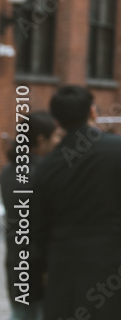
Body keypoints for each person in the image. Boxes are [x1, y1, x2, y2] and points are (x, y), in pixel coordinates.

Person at [34, 86, 121, 320]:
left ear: (57, 120)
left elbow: (37, 229)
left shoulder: (47, 167)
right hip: (115, 264)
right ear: (93, 112)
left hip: (66, 270)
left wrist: (39, 273)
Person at [2, 111, 59, 320]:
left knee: (21, 312)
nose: (57, 141)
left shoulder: (8, 172)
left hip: (16, 259)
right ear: (41, 140)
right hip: (40, 262)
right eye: (54, 136)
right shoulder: (45, 172)